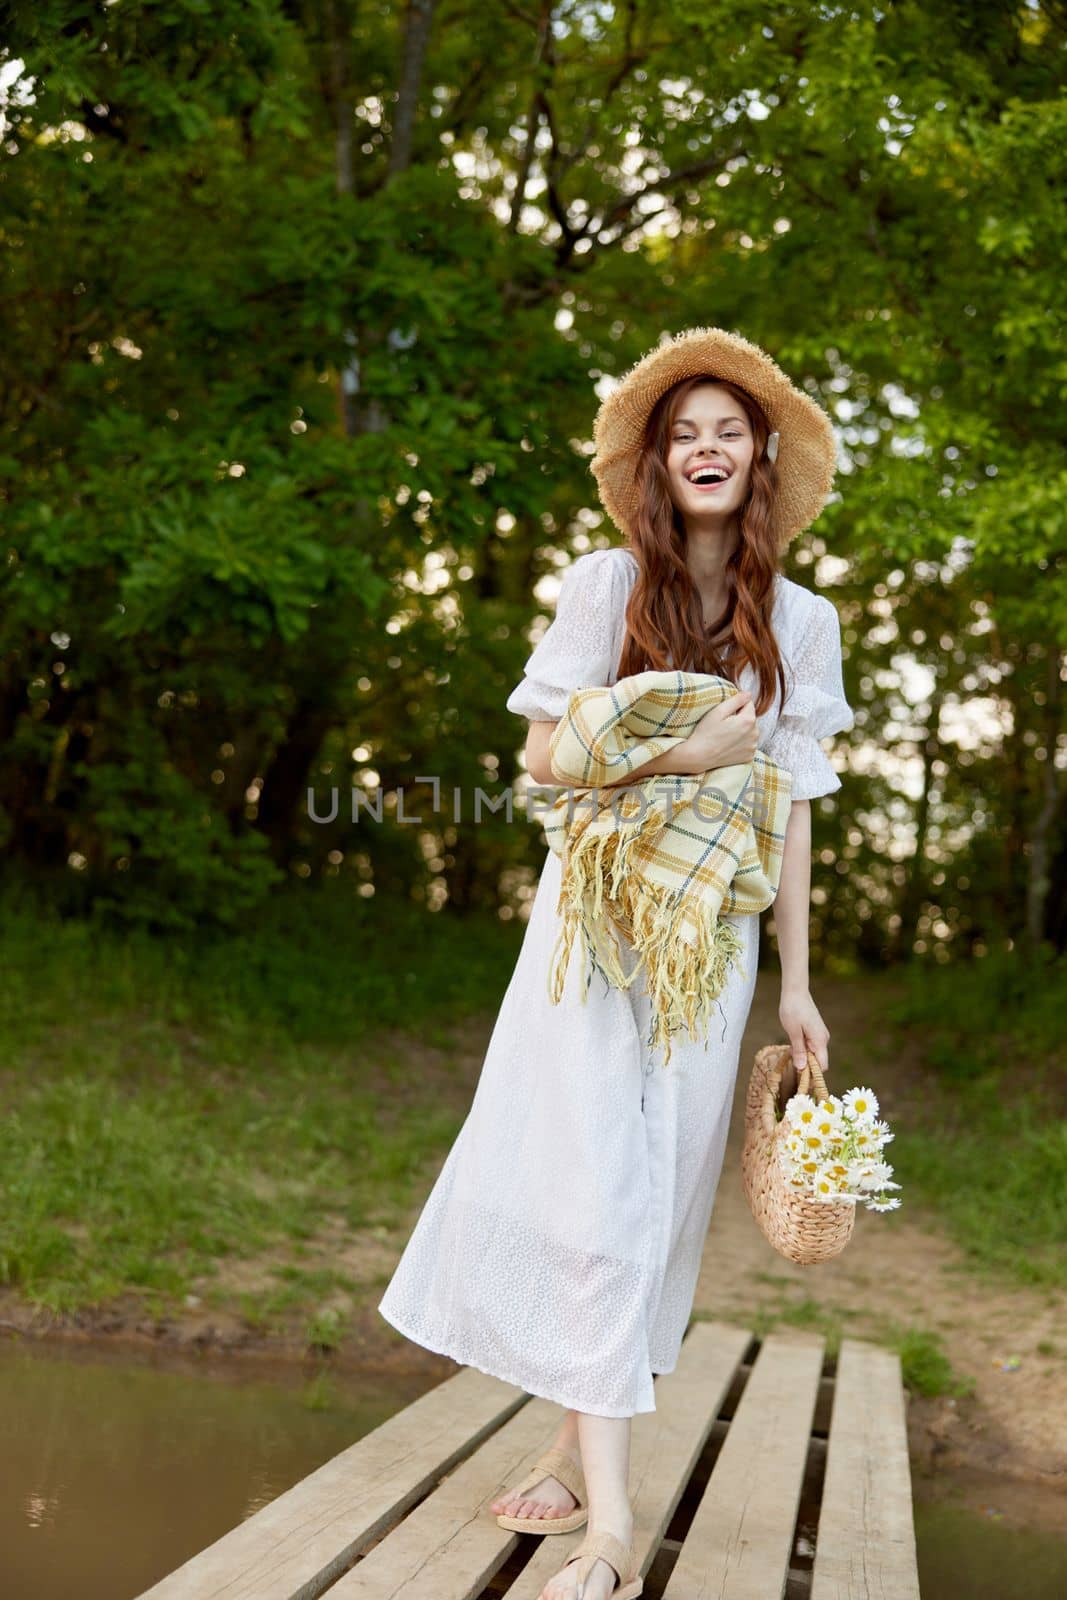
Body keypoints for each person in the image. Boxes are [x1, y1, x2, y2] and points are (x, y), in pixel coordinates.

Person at [377, 327, 855, 1600]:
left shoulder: (800, 623)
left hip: (712, 944)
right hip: (588, 930)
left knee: (652, 1195)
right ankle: (615, 1526)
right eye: (683, 430)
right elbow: (541, 761)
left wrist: (797, 985)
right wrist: (683, 760)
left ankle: (565, 1446)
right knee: (591, 1185)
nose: (705, 447)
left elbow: (795, 806)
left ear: (758, 460)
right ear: (659, 460)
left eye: (727, 430)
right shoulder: (605, 585)